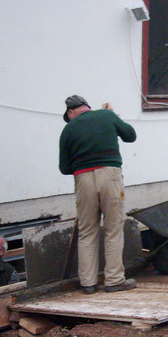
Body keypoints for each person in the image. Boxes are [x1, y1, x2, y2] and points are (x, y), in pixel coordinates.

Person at [59, 95, 137, 294]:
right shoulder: (106, 115)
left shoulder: (67, 130)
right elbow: (130, 135)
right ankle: (114, 280)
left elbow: (64, 167)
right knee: (113, 228)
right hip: (110, 175)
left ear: (70, 112)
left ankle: (88, 283)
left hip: (82, 179)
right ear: (87, 107)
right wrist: (113, 115)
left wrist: (84, 165)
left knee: (87, 231)